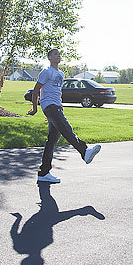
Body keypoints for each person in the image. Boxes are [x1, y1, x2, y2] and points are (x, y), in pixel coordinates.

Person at [28, 48, 101, 183]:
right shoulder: (46, 72)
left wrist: (52, 115)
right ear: (49, 58)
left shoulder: (60, 74)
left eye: (59, 54)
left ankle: (44, 173)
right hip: (49, 106)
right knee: (67, 129)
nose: (58, 56)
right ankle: (84, 152)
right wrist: (36, 108)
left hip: (56, 107)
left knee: (52, 141)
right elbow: (36, 90)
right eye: (55, 54)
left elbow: (57, 93)